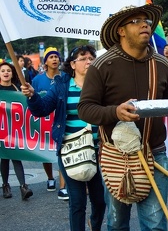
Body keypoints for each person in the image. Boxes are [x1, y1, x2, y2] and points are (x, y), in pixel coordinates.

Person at [77, 4, 168, 230]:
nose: (144, 25)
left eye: (147, 22)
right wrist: (114, 112)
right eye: (136, 21)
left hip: (155, 152)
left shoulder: (161, 63)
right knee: (117, 223)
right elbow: (85, 108)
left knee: (155, 224)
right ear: (121, 30)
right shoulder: (101, 65)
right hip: (116, 155)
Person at [22, 45, 106, 231]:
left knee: (100, 200)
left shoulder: (101, 86)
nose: (89, 61)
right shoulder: (62, 86)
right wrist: (33, 96)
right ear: (73, 64)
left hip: (97, 151)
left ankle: (95, 225)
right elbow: (42, 109)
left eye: (92, 58)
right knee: (77, 202)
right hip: (70, 151)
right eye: (83, 58)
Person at [32, 47, 68, 200]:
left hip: (61, 119)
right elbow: (34, 101)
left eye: (56, 56)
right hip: (43, 121)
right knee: (45, 151)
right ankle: (50, 178)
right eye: (51, 57)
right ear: (45, 61)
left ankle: (63, 186)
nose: (54, 59)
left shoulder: (66, 77)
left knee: (62, 151)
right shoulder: (37, 79)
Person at [0, 61, 33, 200]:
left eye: (8, 70)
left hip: (14, 128)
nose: (6, 72)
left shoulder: (17, 89)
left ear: (12, 73)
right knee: (4, 158)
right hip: (1, 129)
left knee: (16, 156)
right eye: (3, 71)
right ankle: (6, 185)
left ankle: (23, 187)